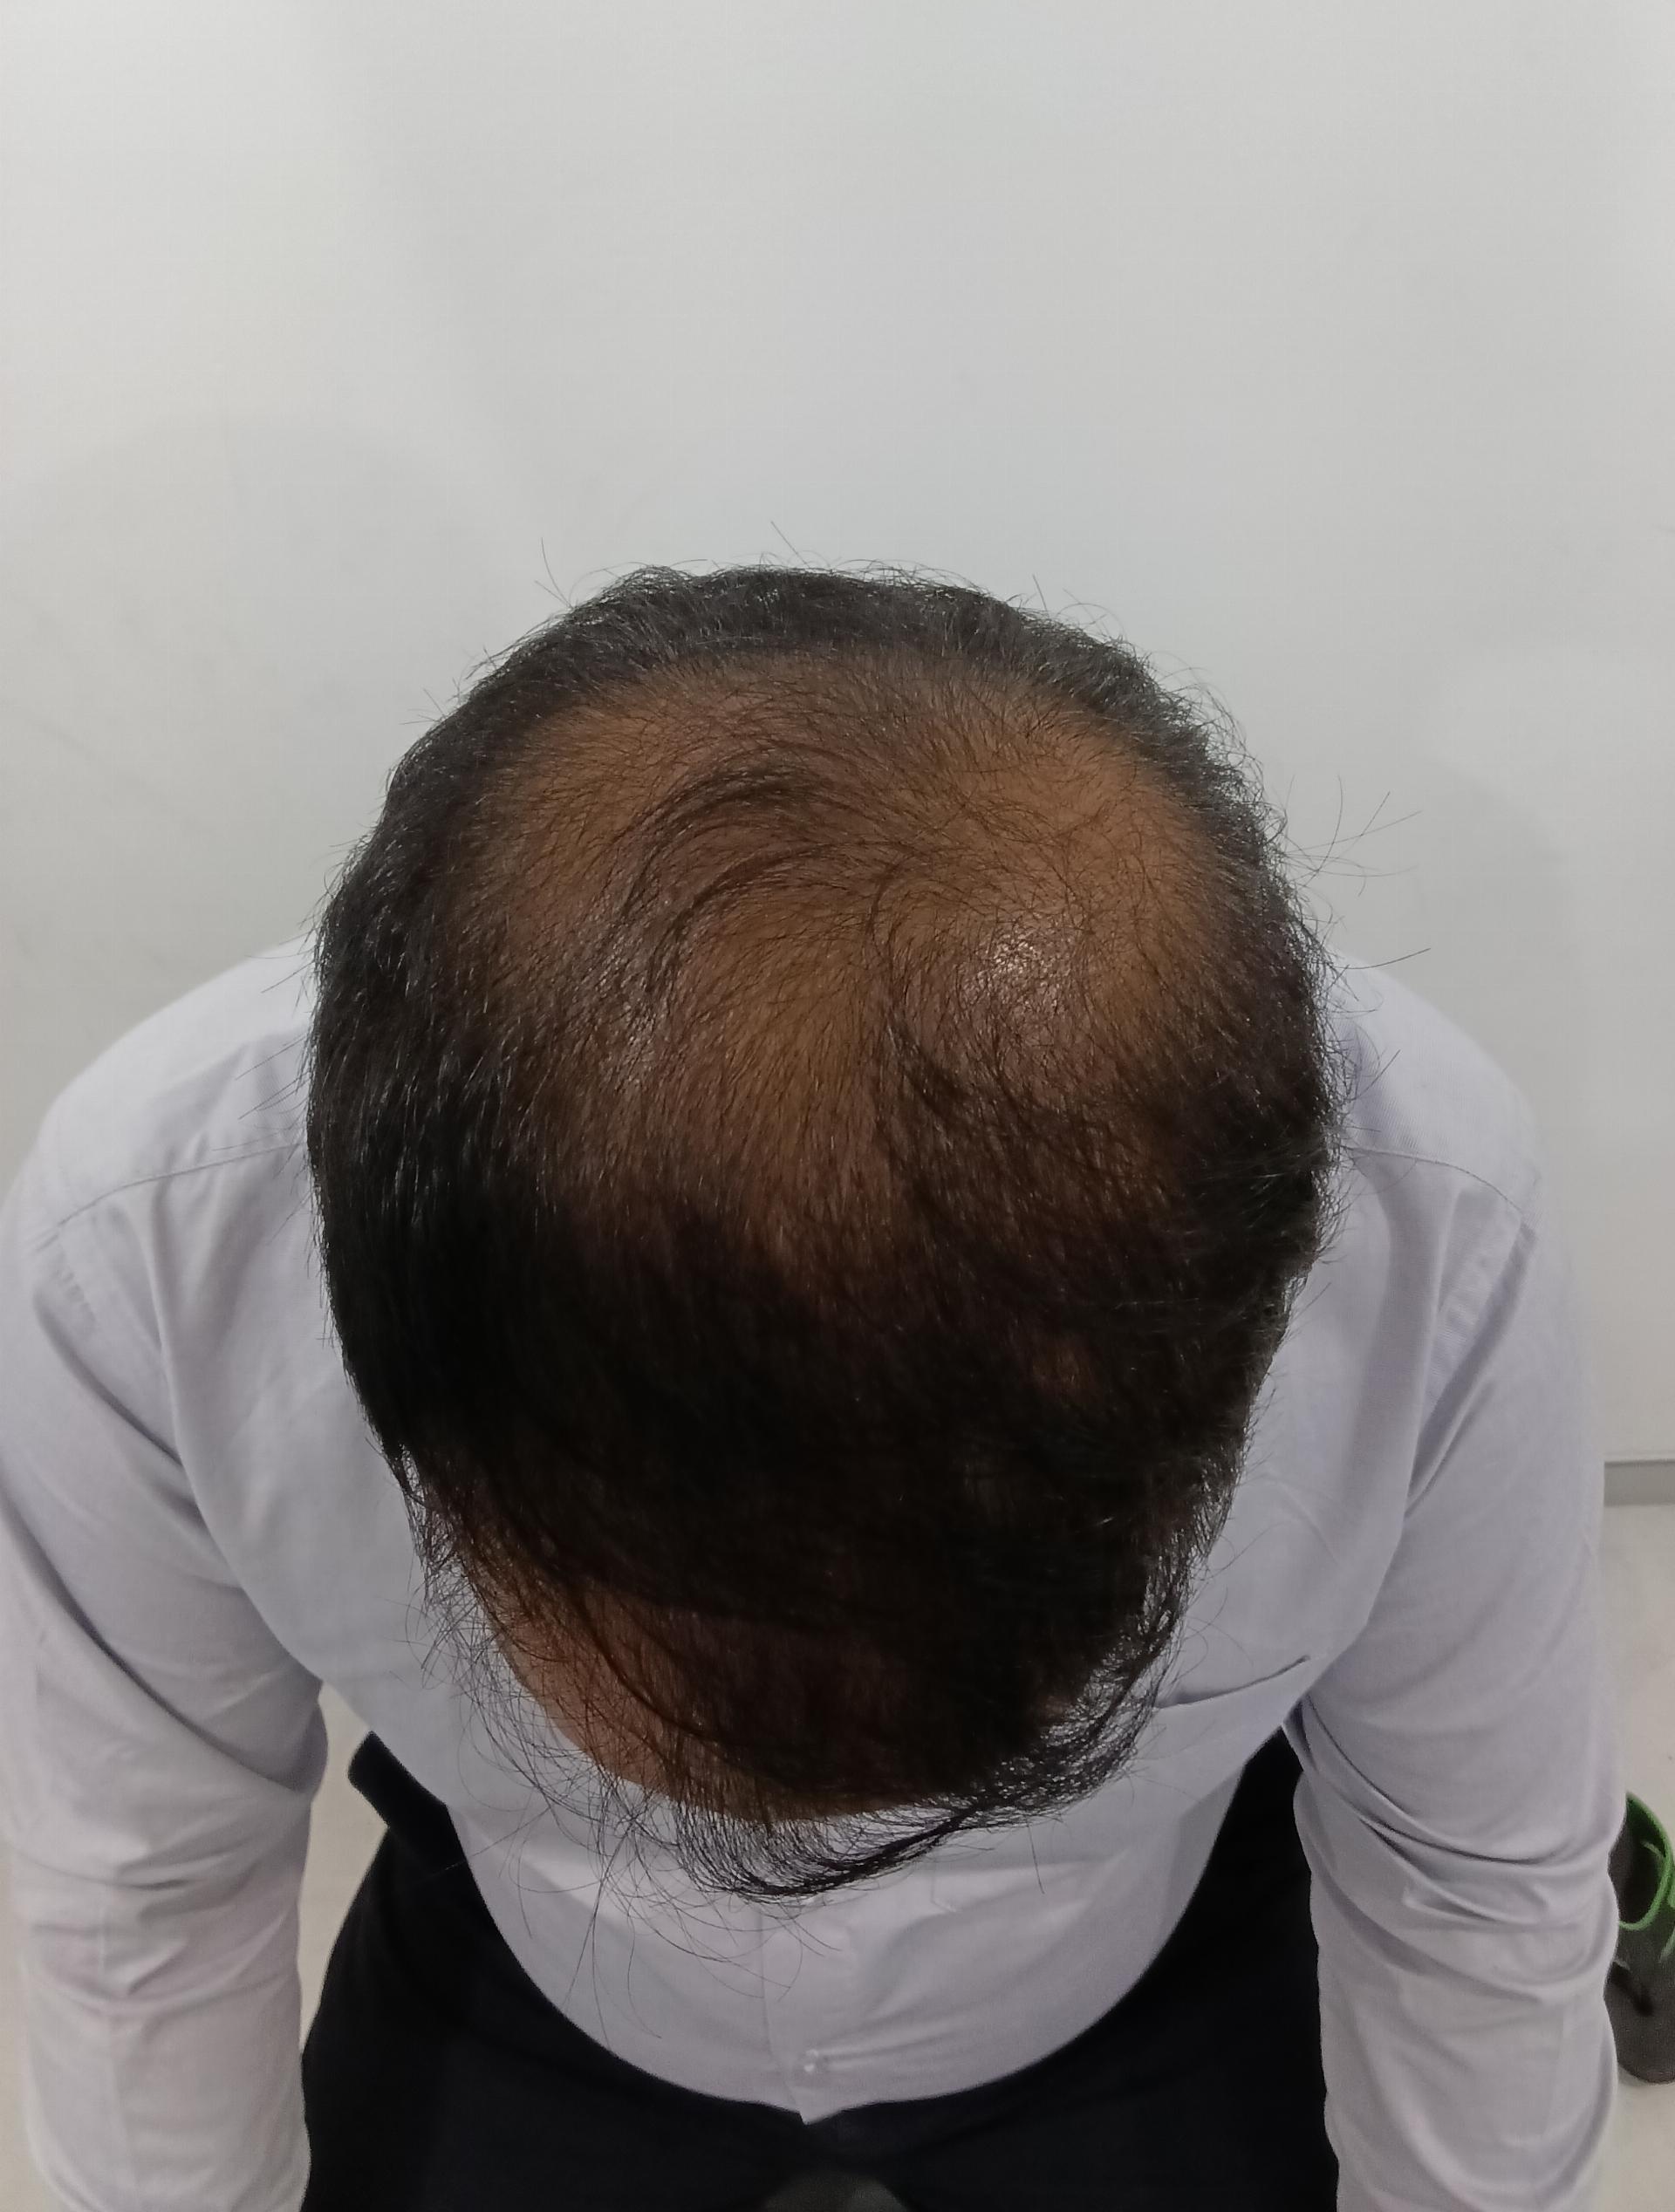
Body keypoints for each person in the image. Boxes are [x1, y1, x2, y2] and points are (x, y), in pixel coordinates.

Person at [0, 564, 1624, 2210]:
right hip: (532, 1967)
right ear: (423, 1445)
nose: (817, 1863)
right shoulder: (152, 1251)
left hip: (1145, 1965)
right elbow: (145, 1883)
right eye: (688, 1694)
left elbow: (1469, 1883)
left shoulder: (1429, 1228)